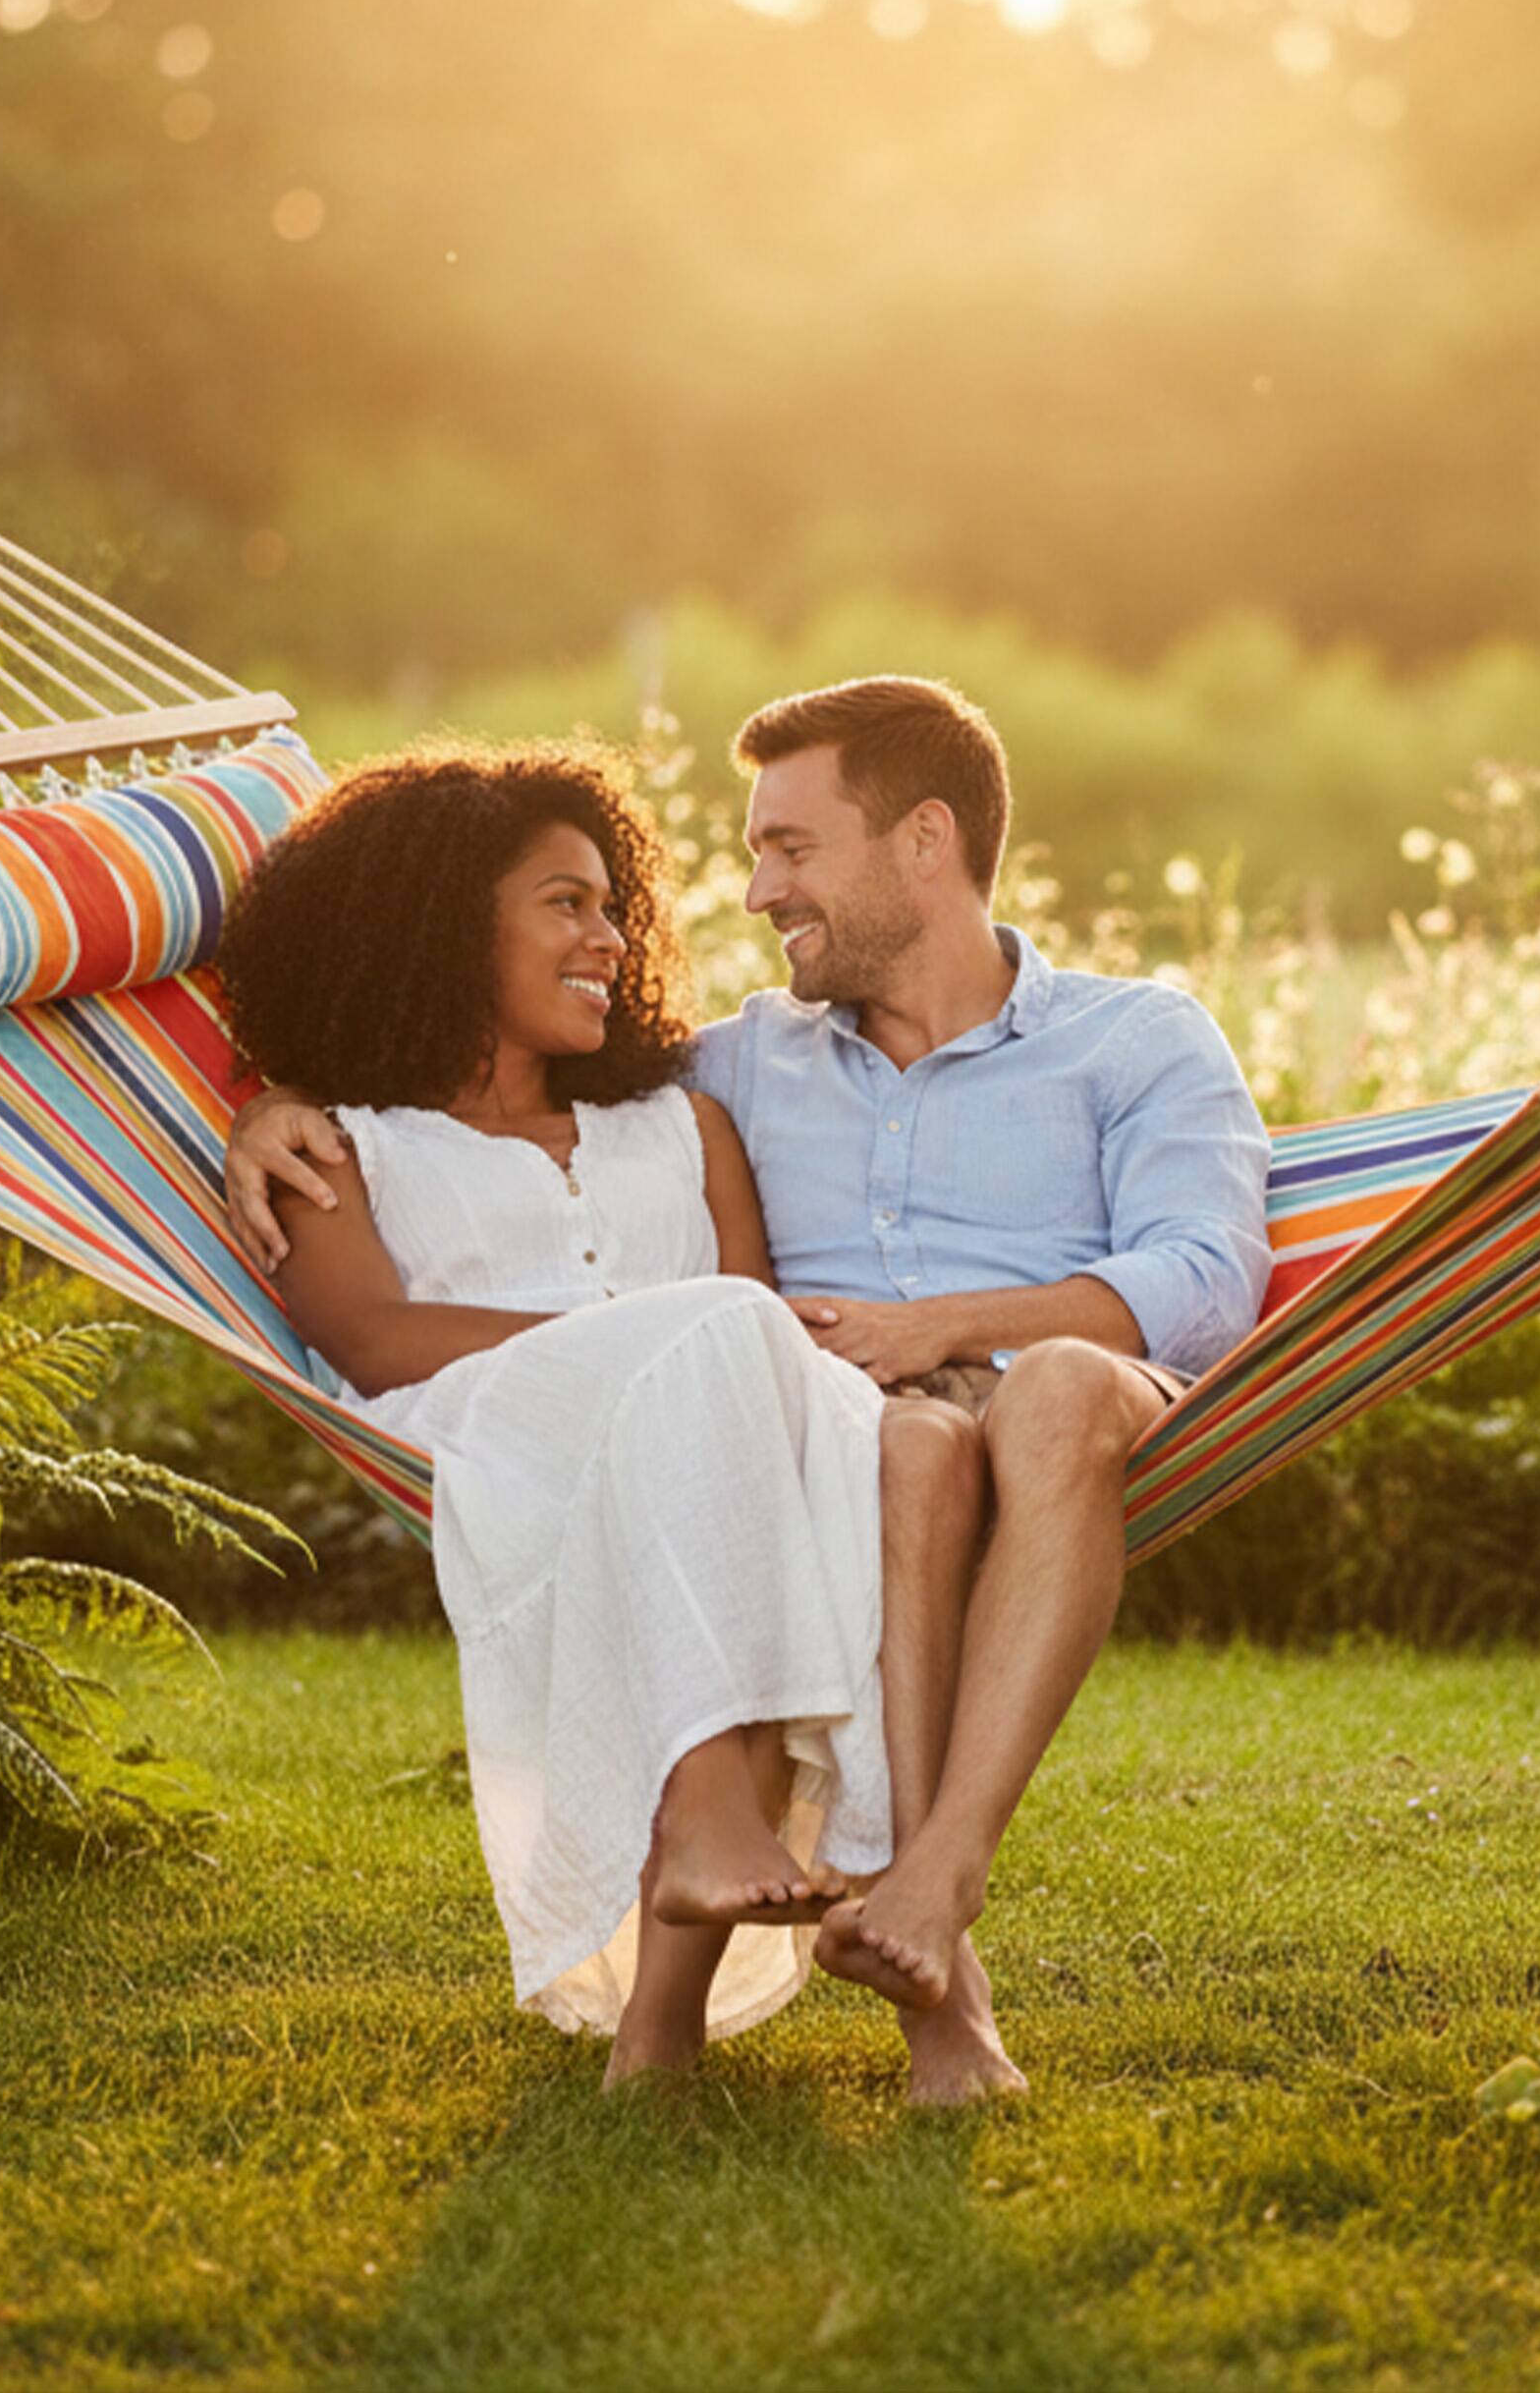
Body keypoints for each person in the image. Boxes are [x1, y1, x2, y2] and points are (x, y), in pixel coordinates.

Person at [230, 680, 1273, 2105]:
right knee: (892, 1439)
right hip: (834, 1427)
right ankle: (906, 1980)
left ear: (922, 841)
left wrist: (942, 1328)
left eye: (790, 848)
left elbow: (1210, 1280)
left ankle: (920, 1876)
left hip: (1051, 1409)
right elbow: (456, 1060)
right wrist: (273, 1095)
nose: (752, 890)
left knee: (1030, 1396)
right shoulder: (731, 1065)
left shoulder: (1138, 1039)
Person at [215, 742, 960, 2087]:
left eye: (616, 908)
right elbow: (373, 1338)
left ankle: (661, 2027)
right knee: (725, 1351)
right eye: (566, 903)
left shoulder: (683, 1132)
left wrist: (700, 1362)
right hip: (493, 1443)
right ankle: (769, 1836)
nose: (610, 939)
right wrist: (650, 1349)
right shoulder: (348, 1142)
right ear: (445, 928)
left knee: (851, 1444)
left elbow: (751, 1362)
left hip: (701, 1467)